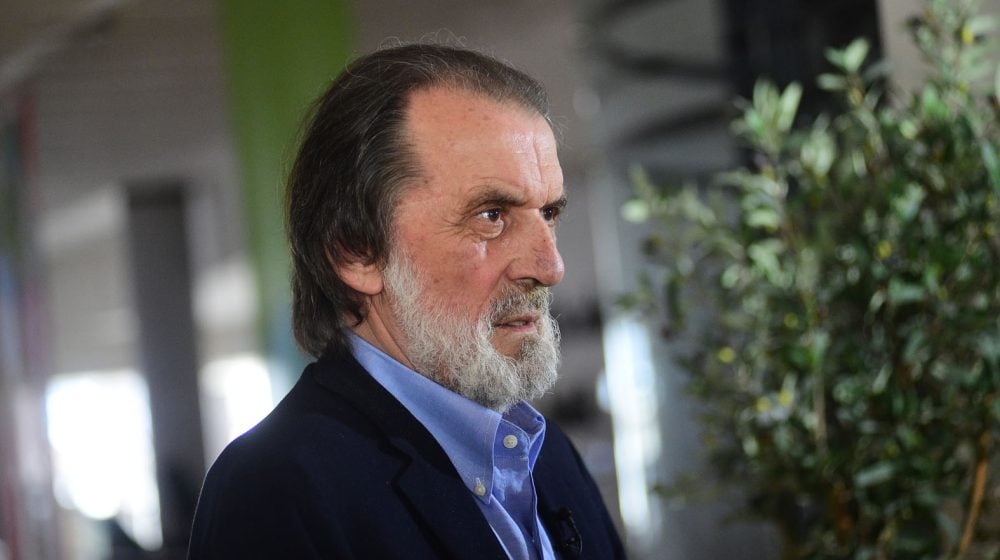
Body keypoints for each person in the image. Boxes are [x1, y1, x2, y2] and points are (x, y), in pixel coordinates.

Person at [187, 43, 626, 560]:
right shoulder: (276, 490)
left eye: (548, 213)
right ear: (357, 252)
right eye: (491, 216)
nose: (550, 267)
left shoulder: (546, 456)